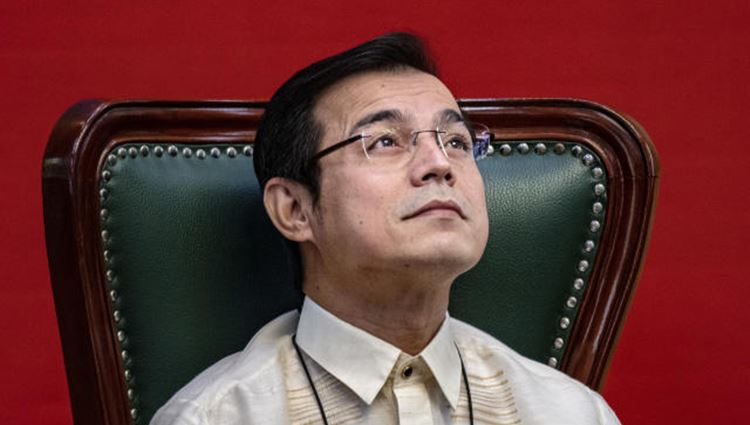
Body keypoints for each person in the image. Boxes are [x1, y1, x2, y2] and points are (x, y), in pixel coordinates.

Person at [151, 32, 620, 425]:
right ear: (295, 209)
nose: (439, 163)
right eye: (385, 141)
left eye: (457, 141)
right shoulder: (214, 417)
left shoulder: (571, 413)